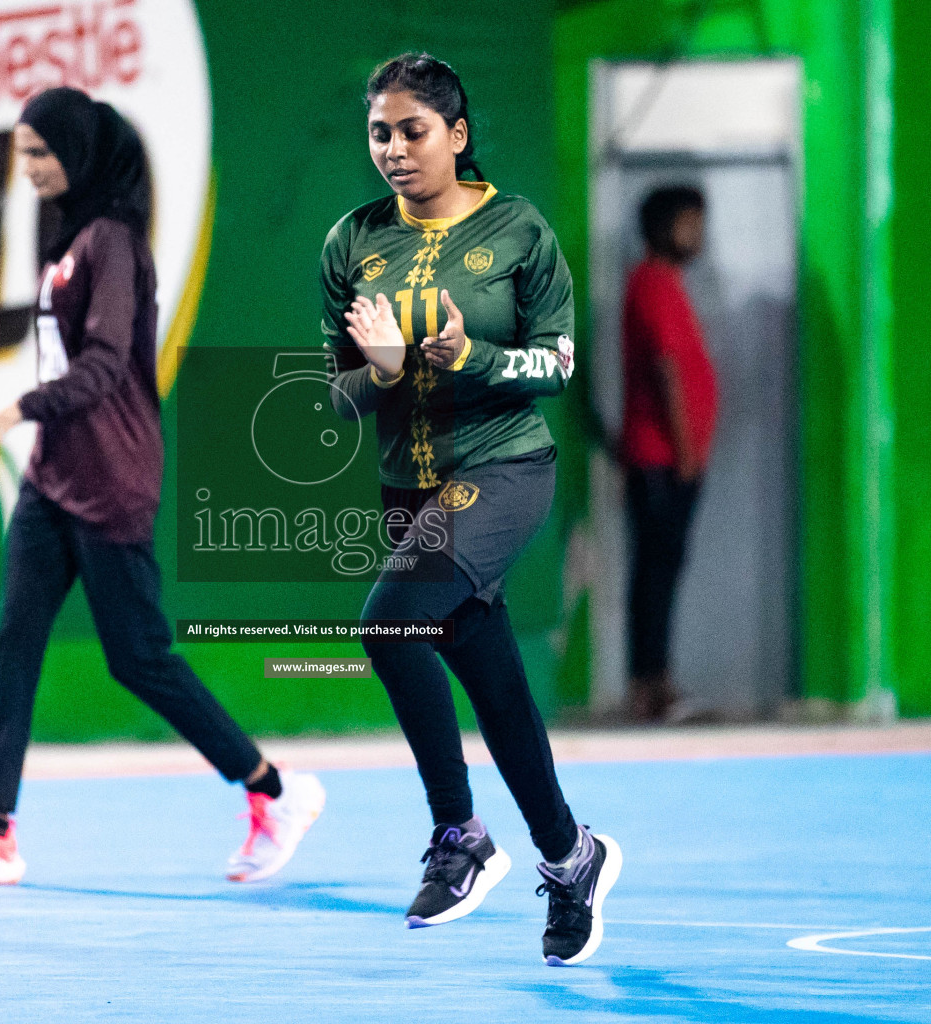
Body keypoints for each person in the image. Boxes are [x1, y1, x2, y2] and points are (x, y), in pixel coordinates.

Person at [0, 88, 324, 887]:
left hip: (112, 482)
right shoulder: (68, 243)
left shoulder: (115, 245)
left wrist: (3, 418)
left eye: (40, 153)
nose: (27, 169)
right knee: (16, 644)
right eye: (22, 153)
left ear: (82, 153)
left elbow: (102, 367)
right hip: (51, 479)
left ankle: (275, 791)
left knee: (139, 659)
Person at [325, 53, 620, 966]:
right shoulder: (351, 241)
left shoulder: (520, 231)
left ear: (456, 135)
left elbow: (559, 366)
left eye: (413, 131)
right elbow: (337, 396)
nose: (394, 149)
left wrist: (470, 359)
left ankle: (461, 835)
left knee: (387, 626)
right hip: (406, 485)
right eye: (380, 132)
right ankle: (572, 858)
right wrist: (377, 370)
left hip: (502, 468)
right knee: (492, 684)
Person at [619, 186, 717, 723]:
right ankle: (650, 688)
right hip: (660, 458)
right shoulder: (653, 281)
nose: (699, 235)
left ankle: (656, 683)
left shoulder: (668, 283)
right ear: (664, 228)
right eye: (690, 224)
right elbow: (665, 368)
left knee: (663, 571)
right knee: (654, 574)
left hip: (669, 457)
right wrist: (684, 450)